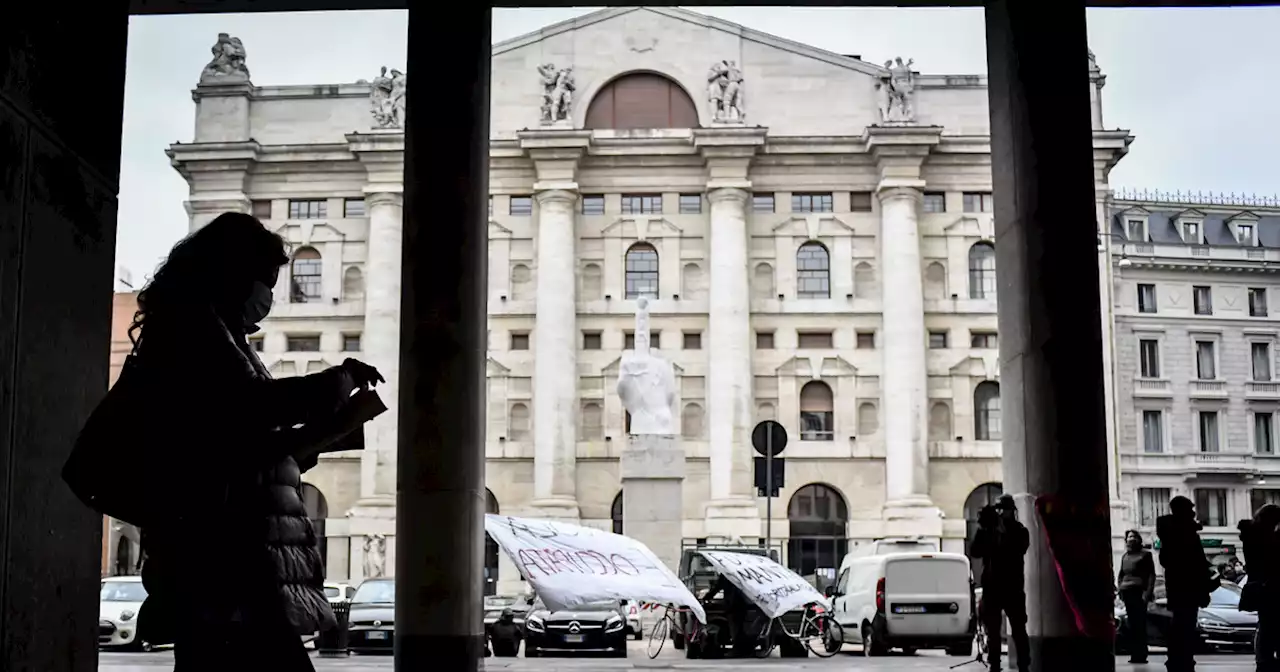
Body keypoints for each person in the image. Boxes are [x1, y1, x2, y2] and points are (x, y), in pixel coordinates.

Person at [132, 212, 384, 671]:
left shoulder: (223, 337)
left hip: (238, 561)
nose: (267, 296)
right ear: (229, 272)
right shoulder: (196, 334)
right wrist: (338, 382)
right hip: (226, 560)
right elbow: (251, 412)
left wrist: (323, 434)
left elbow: (247, 445)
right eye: (263, 280)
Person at [971, 495, 1030, 672]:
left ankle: (1023, 665)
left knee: (1019, 629)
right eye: (998, 510)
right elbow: (975, 551)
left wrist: (1002, 532)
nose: (1000, 513)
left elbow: (1017, 549)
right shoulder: (989, 532)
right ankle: (994, 665)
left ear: (1012, 512)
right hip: (992, 588)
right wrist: (982, 530)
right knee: (993, 631)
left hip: (1013, 588)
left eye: (1003, 510)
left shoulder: (1020, 531)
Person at [1157, 496, 1214, 672]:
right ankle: (1182, 659)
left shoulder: (1171, 532)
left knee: (1181, 624)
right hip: (1187, 586)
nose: (1193, 513)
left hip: (1178, 586)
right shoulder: (1185, 533)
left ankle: (1178, 658)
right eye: (1190, 509)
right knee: (1185, 625)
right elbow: (1196, 562)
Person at [1239, 504, 1280, 671]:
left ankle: (1264, 660)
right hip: (1269, 587)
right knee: (1269, 625)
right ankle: (1265, 660)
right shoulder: (1264, 538)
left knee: (1265, 625)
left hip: (1262, 587)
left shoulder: (1252, 536)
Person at [1117, 529, 1156, 664]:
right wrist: (1120, 588)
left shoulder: (1145, 555)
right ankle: (1134, 653)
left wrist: (1147, 593)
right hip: (1126, 592)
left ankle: (1141, 654)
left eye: (1133, 536)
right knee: (1132, 625)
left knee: (1140, 624)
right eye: (1128, 537)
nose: (1131, 539)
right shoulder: (1125, 556)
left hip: (1139, 592)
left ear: (1138, 539)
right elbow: (1121, 574)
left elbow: (1151, 575)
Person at [703, 573, 751, 656]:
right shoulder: (741, 572)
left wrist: (707, 597)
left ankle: (738, 650)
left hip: (733, 604)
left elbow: (718, 587)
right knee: (740, 627)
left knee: (735, 628)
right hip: (743, 603)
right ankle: (745, 649)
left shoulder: (726, 573)